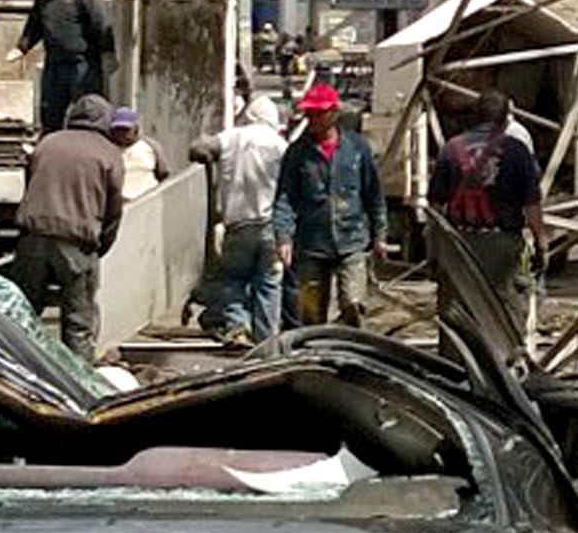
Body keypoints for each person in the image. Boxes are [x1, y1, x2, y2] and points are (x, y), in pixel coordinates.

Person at [15, 92, 123, 359]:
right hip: (77, 242)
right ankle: (77, 381)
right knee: (78, 321)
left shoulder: (47, 143)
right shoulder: (109, 153)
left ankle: (14, 370)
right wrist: (101, 246)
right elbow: (114, 209)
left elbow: (30, 185)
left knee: (22, 315)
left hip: (33, 236)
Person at [270, 80, 384, 327]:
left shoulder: (357, 149)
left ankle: (352, 357)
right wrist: (283, 237)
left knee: (353, 305)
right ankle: (316, 358)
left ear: (334, 114)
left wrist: (380, 234)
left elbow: (373, 194)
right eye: (309, 114)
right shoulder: (297, 153)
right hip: (312, 245)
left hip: (352, 240)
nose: (312, 119)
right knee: (310, 315)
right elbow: (285, 198)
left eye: (318, 114)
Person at [436, 89, 547, 340]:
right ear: (506, 119)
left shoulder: (451, 149)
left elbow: (436, 205)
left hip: (460, 243)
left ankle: (454, 366)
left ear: (475, 116)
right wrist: (541, 241)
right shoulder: (517, 150)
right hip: (503, 244)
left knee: (458, 309)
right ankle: (507, 366)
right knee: (506, 307)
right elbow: (531, 204)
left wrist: (437, 249)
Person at [192, 93, 288, 346]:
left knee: (234, 279)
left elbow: (199, 148)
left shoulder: (233, 137)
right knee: (269, 285)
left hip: (239, 225)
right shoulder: (281, 146)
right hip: (271, 227)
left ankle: (238, 327)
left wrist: (207, 157)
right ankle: (267, 341)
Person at [17, 0, 114, 131]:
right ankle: (51, 141)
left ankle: (89, 143)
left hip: (83, 63)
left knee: (88, 107)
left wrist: (108, 53)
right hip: (54, 63)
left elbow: (100, 26)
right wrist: (22, 47)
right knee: (51, 109)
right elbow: (34, 26)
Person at [108, 106, 170, 204]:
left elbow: (164, 173)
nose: (122, 134)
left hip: (148, 200)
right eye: (118, 129)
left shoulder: (151, 146)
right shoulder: (108, 149)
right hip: (121, 204)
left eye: (126, 129)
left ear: (136, 128)